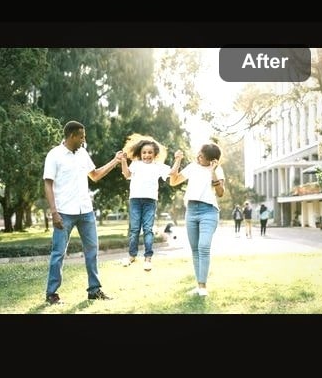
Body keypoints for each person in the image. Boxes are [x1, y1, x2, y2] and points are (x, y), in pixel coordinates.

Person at [43, 120, 123, 304]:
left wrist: (115, 161)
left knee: (92, 251)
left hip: (86, 211)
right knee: (58, 253)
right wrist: (54, 212)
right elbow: (48, 183)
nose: (83, 140)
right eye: (81, 136)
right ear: (72, 136)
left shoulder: (82, 153)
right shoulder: (54, 155)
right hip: (64, 212)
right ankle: (52, 294)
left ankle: (94, 290)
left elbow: (94, 175)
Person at [168, 143, 226, 297]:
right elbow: (173, 182)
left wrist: (213, 172)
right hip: (192, 211)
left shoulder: (218, 170)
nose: (198, 157)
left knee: (204, 246)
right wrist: (178, 160)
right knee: (195, 250)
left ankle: (203, 287)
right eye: (199, 154)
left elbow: (220, 193)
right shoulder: (192, 167)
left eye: (202, 157)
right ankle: (199, 286)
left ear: (212, 160)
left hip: (209, 211)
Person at [118, 134, 172, 271]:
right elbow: (126, 175)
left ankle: (148, 258)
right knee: (135, 229)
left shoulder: (158, 166)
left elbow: (172, 173)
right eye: (144, 152)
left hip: (150, 201)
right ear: (140, 153)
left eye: (149, 153)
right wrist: (123, 161)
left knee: (148, 229)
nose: (146, 155)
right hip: (135, 200)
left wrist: (177, 160)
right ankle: (131, 256)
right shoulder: (135, 164)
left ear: (154, 154)